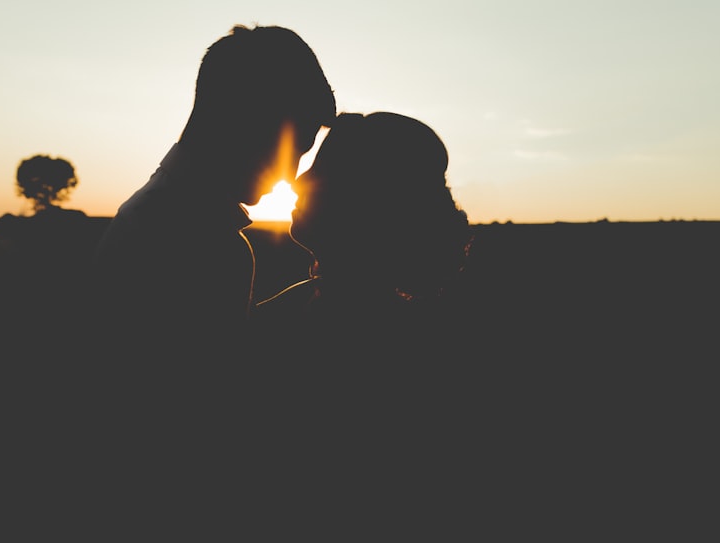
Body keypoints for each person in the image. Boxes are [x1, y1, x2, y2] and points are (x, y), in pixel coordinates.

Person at [91, 24, 336, 369]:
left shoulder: (152, 210)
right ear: (244, 118)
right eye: (292, 148)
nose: (289, 175)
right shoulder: (202, 241)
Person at [252, 111, 473, 372]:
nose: (300, 181)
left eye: (325, 169)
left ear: (369, 202)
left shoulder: (326, 332)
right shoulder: (300, 308)